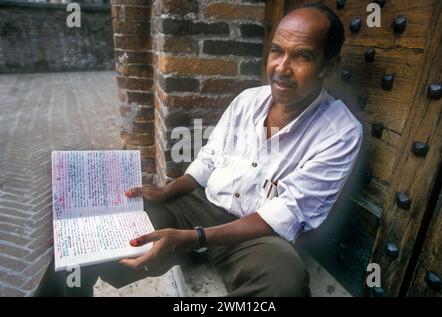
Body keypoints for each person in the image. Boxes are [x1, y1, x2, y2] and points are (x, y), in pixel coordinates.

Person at [38, 3, 362, 297]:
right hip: (196, 206)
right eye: (276, 51)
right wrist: (168, 191)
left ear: (329, 67)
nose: (281, 67)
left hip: (254, 235)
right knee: (88, 236)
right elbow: (209, 159)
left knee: (285, 281)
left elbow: (286, 212)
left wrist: (194, 239)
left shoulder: (340, 133)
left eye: (302, 56)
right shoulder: (248, 100)